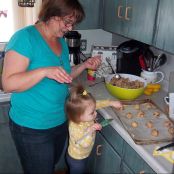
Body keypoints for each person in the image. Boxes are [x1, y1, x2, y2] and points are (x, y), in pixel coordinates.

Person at [2, 0, 101, 174]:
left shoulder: (60, 40)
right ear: (51, 15)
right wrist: (43, 71)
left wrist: (85, 65)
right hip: (32, 127)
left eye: (73, 23)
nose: (70, 28)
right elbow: (8, 84)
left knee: (50, 166)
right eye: (67, 22)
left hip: (59, 121)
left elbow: (64, 75)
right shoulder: (24, 38)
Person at [65, 84, 122, 174]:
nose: (95, 113)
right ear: (79, 116)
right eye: (92, 113)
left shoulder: (82, 113)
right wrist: (90, 130)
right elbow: (85, 144)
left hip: (84, 155)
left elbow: (95, 104)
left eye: (94, 110)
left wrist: (110, 102)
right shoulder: (75, 127)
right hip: (77, 159)